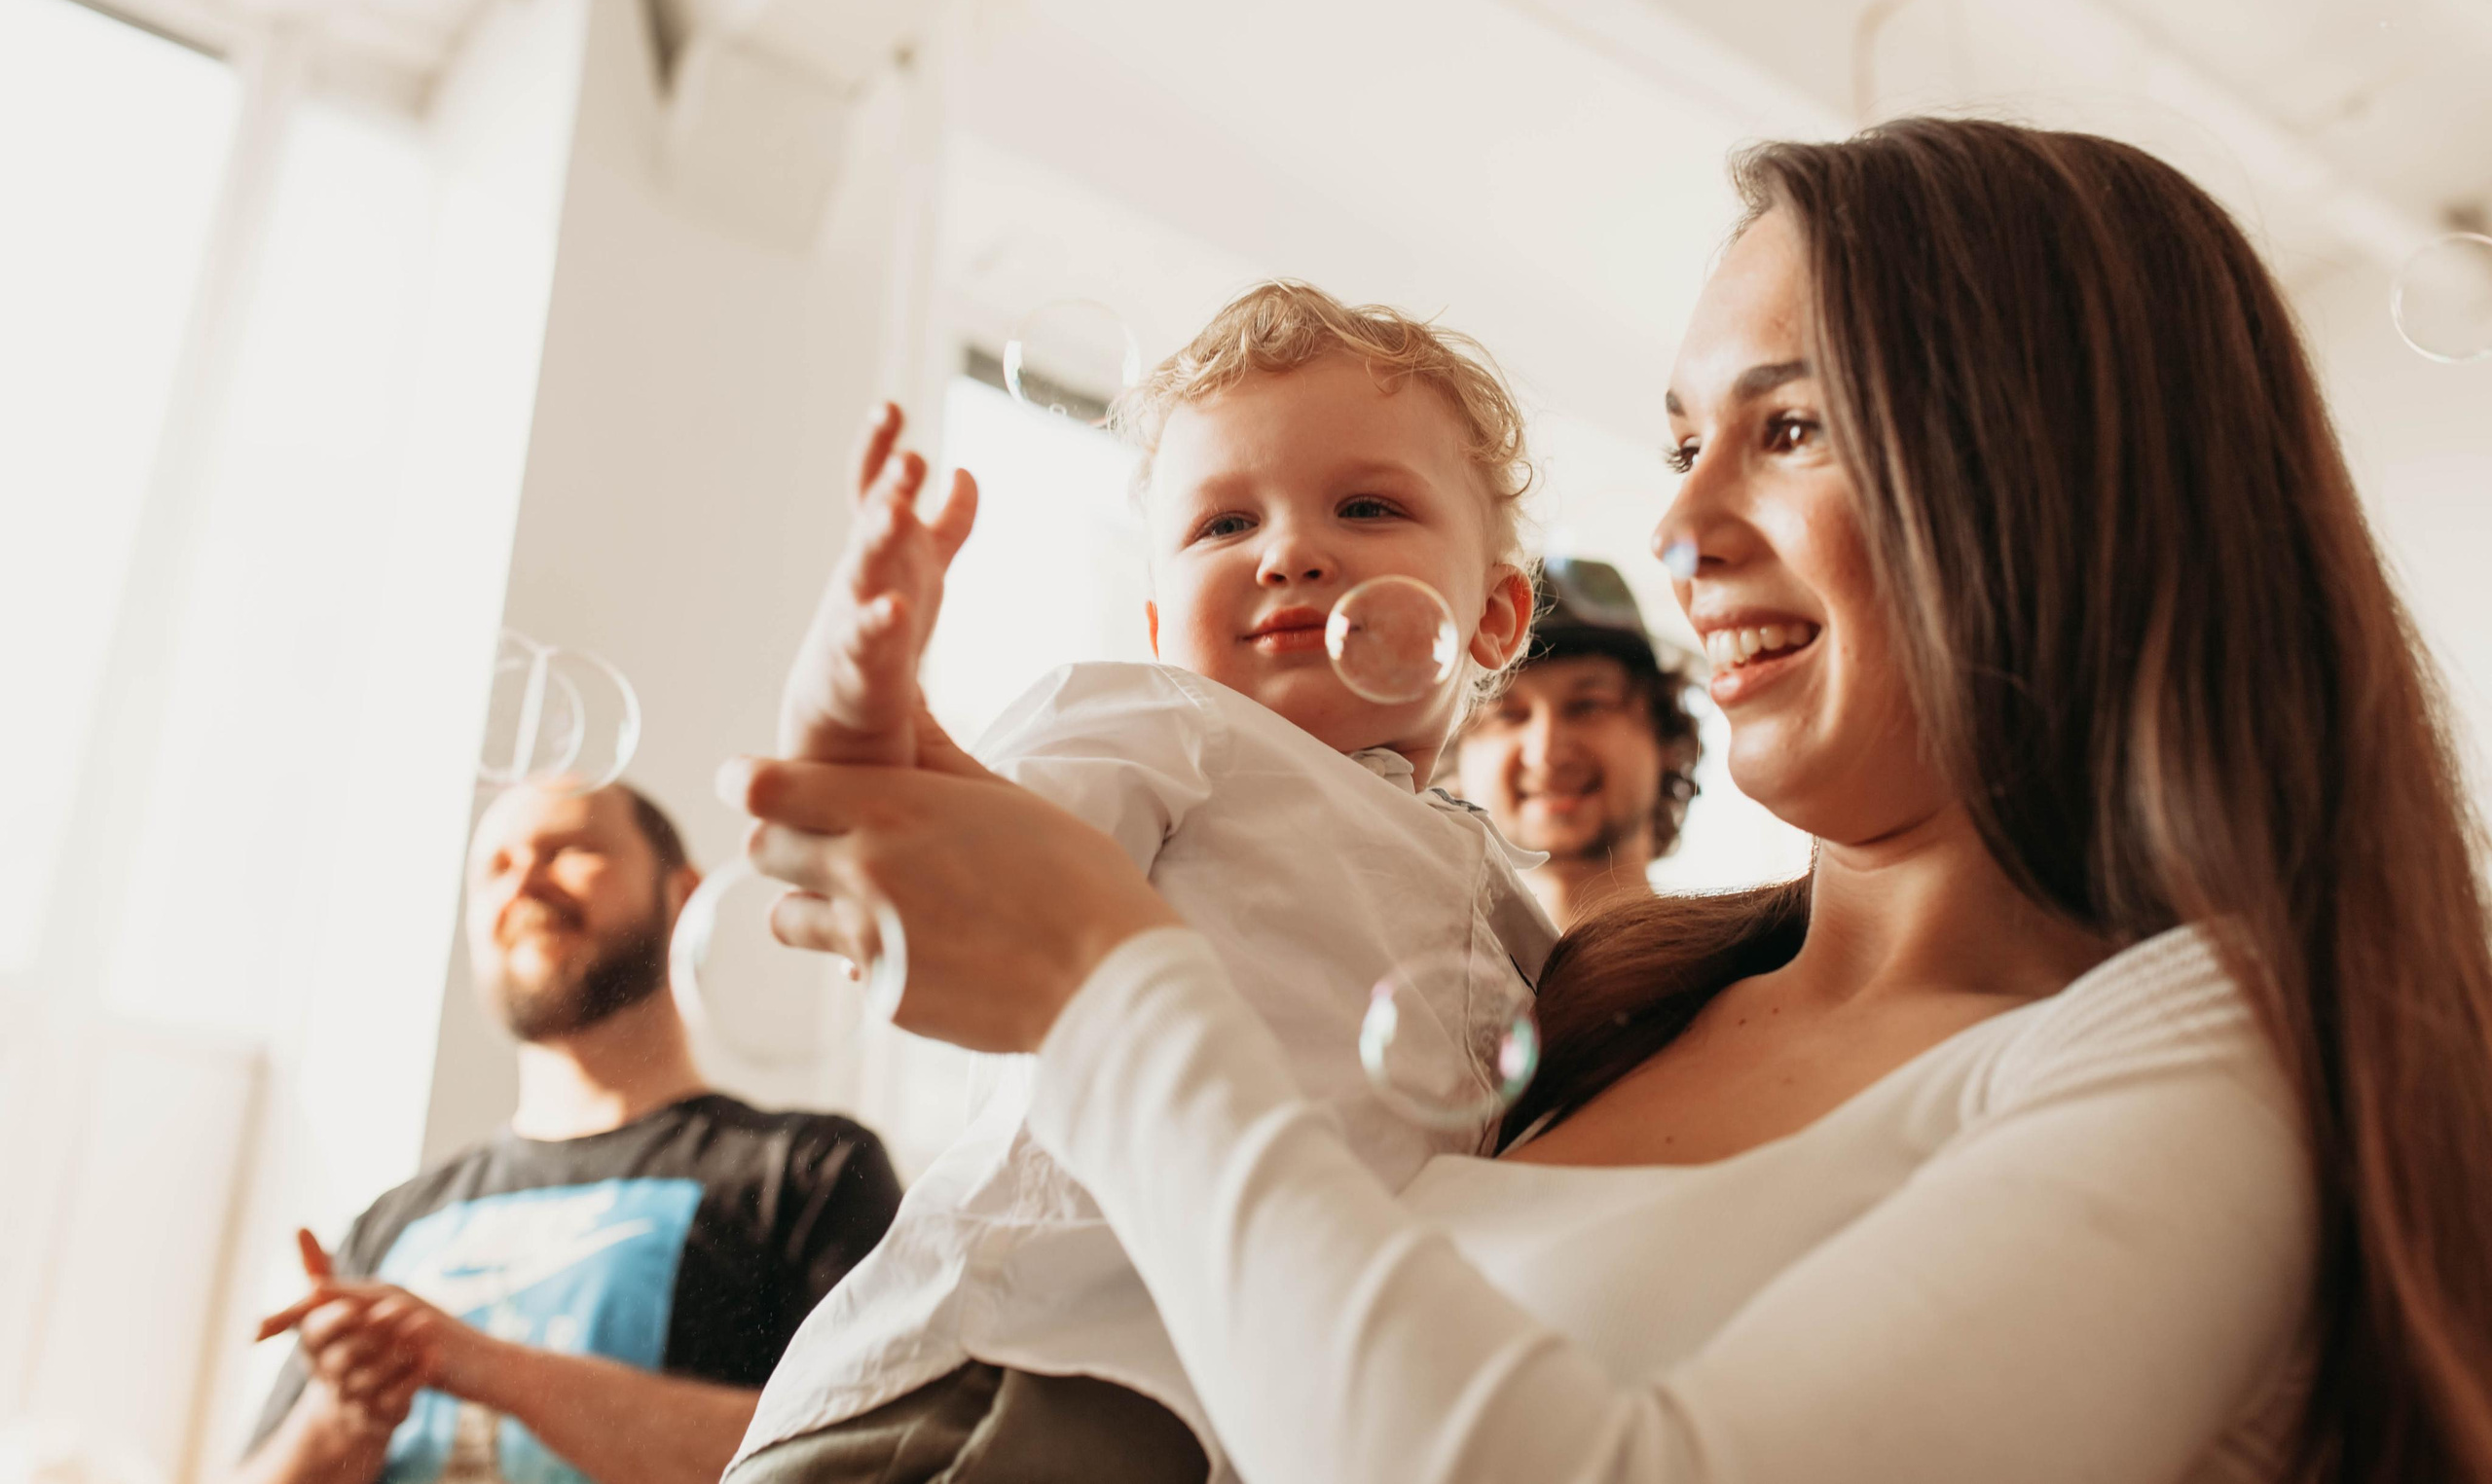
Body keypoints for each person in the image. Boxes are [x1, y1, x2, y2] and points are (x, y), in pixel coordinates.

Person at [725, 117, 2492, 1482]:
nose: (1677, 527)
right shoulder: (1596, 1001)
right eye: (1681, 444)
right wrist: (901, 810)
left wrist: (1105, 983)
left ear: (2048, 472)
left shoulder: (2215, 1048)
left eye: (1788, 428)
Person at [728, 282, 1558, 1481]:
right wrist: (858, 731)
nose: (1288, 552)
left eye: (1367, 507)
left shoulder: (1505, 901)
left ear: (1495, 615)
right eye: (1224, 524)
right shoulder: (1157, 724)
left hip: (1247, 1413)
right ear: (1163, 626)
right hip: (1008, 1365)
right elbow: (964, 878)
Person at [238, 779, 903, 1484]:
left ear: (682, 896)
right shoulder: (392, 1222)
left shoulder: (812, 1170)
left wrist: (483, 1364)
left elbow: (864, 1455)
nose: (523, 879)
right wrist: (339, 1419)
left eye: (568, 849)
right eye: (495, 867)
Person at [1450, 556, 1702, 928]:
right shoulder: (1408, 962)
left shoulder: (1747, 961)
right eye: (1507, 714)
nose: (1546, 752)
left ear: (1663, 736)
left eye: (1588, 705)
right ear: (1456, 754)